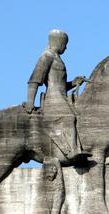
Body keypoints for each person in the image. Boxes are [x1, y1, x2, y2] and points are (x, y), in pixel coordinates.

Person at [26, 29, 87, 160]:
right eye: (65, 43)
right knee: (69, 117)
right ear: (58, 42)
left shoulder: (57, 58)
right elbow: (35, 80)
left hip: (62, 97)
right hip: (53, 100)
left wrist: (74, 83)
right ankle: (72, 151)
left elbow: (60, 85)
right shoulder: (46, 56)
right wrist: (30, 102)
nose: (66, 47)